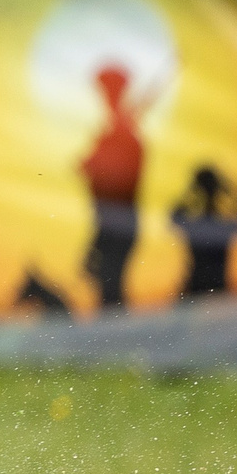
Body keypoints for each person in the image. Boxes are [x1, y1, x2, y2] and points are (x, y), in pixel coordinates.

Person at [79, 64, 150, 310]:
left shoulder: (123, 135)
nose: (105, 97)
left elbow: (119, 175)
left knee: (110, 290)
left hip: (117, 223)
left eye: (109, 90)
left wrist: (93, 163)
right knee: (102, 281)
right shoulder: (115, 130)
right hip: (109, 222)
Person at [170, 164, 237, 298]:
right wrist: (235, 193)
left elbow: (173, 217)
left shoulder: (196, 226)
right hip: (217, 290)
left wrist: (189, 191)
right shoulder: (224, 226)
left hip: (195, 289)